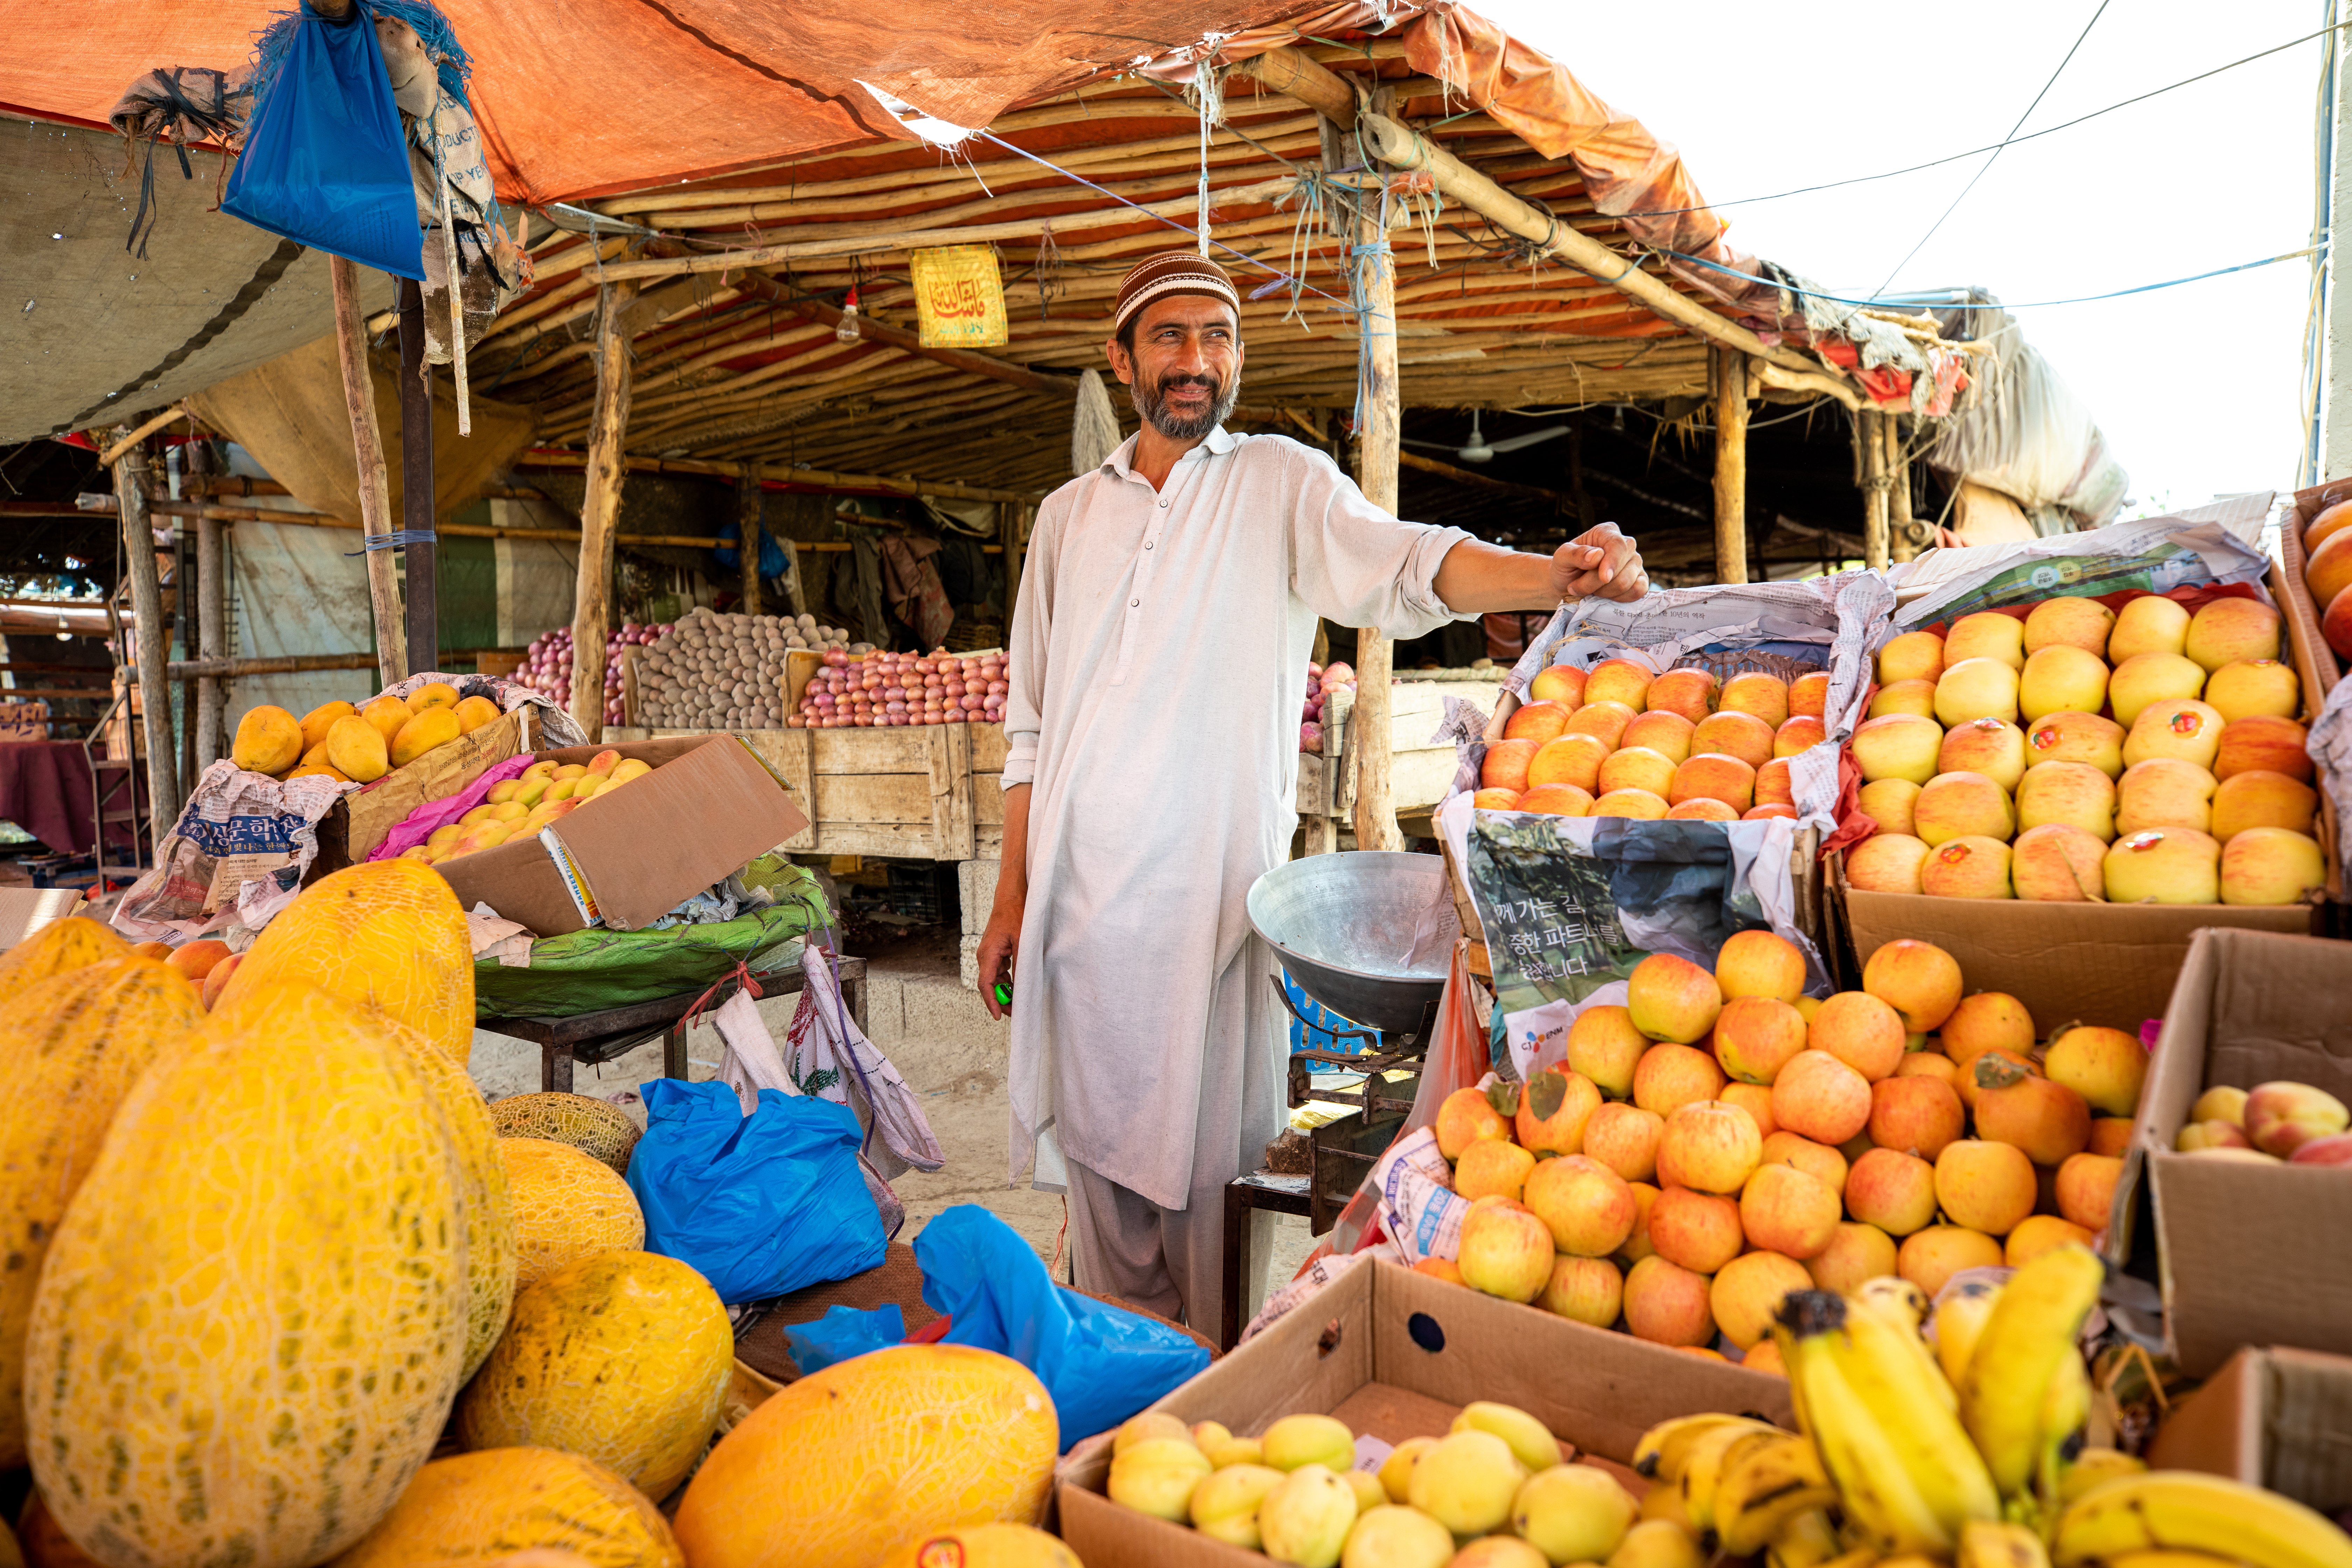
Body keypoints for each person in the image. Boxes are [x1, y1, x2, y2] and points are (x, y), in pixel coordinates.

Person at [975, 251, 1649, 1333]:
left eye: (1218, 338)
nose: (1197, 362)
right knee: (1100, 1166)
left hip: (1207, 893)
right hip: (1075, 894)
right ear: (1122, 357)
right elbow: (1030, 729)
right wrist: (1012, 896)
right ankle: (1110, 1379)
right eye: (1170, 338)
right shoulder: (1065, 519)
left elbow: (1404, 562)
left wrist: (1547, 573)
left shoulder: (1278, 482)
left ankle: (1201, 1387)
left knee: (1205, 1172)